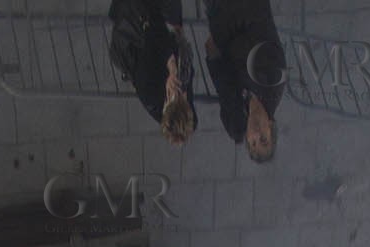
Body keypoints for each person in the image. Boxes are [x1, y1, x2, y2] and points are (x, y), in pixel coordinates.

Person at [203, 0, 285, 161]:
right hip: (247, 9)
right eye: (263, 139)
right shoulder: (273, 83)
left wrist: (214, 58)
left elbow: (222, 84)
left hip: (221, 18)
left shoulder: (236, 121)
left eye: (253, 143)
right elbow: (244, 47)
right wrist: (223, 58)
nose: (256, 133)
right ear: (270, 126)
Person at [108, 0, 196, 145]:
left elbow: (152, 32)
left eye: (173, 96)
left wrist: (171, 67)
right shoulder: (184, 95)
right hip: (161, 32)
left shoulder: (150, 93)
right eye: (181, 96)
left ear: (166, 105)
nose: (177, 92)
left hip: (136, 33)